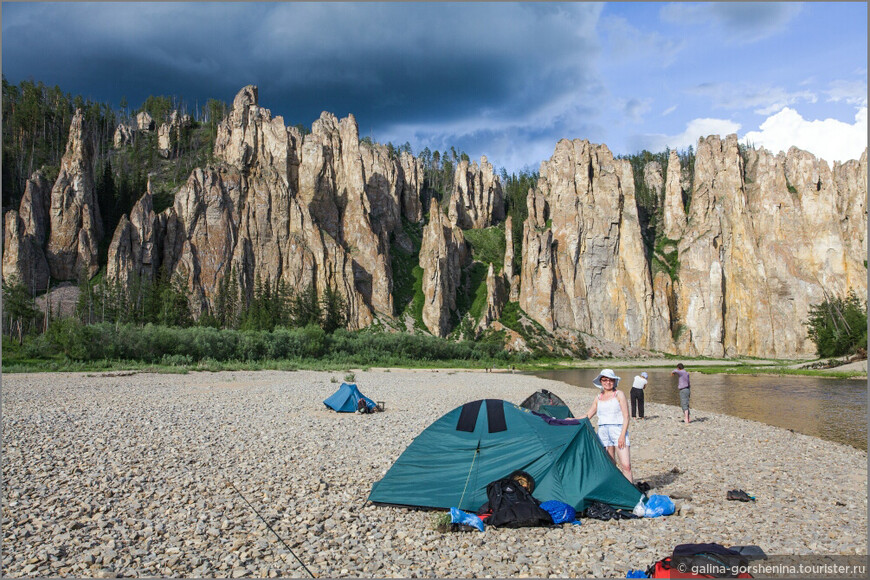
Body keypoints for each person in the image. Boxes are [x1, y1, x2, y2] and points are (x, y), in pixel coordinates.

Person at [585, 369, 633, 483]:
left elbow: (626, 417)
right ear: (601, 382)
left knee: (626, 466)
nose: (608, 382)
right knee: (610, 464)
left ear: (614, 381)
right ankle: (615, 487)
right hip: (603, 432)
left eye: (610, 379)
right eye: (605, 380)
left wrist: (622, 435)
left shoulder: (619, 394)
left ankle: (631, 492)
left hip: (617, 430)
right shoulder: (598, 397)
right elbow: (588, 415)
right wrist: (571, 420)